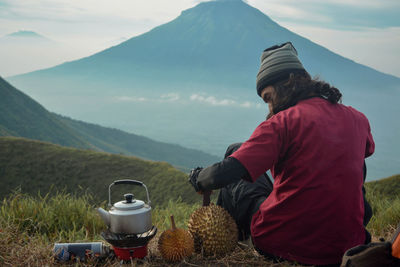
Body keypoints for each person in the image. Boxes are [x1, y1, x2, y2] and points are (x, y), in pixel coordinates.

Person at [188, 42, 374, 266]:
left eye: (268, 98)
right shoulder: (357, 118)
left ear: (285, 85)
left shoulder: (282, 123)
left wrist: (198, 177)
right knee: (238, 150)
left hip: (285, 244)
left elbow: (222, 175)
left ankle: (225, 249)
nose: (269, 108)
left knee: (234, 157)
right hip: (347, 246)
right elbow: (357, 173)